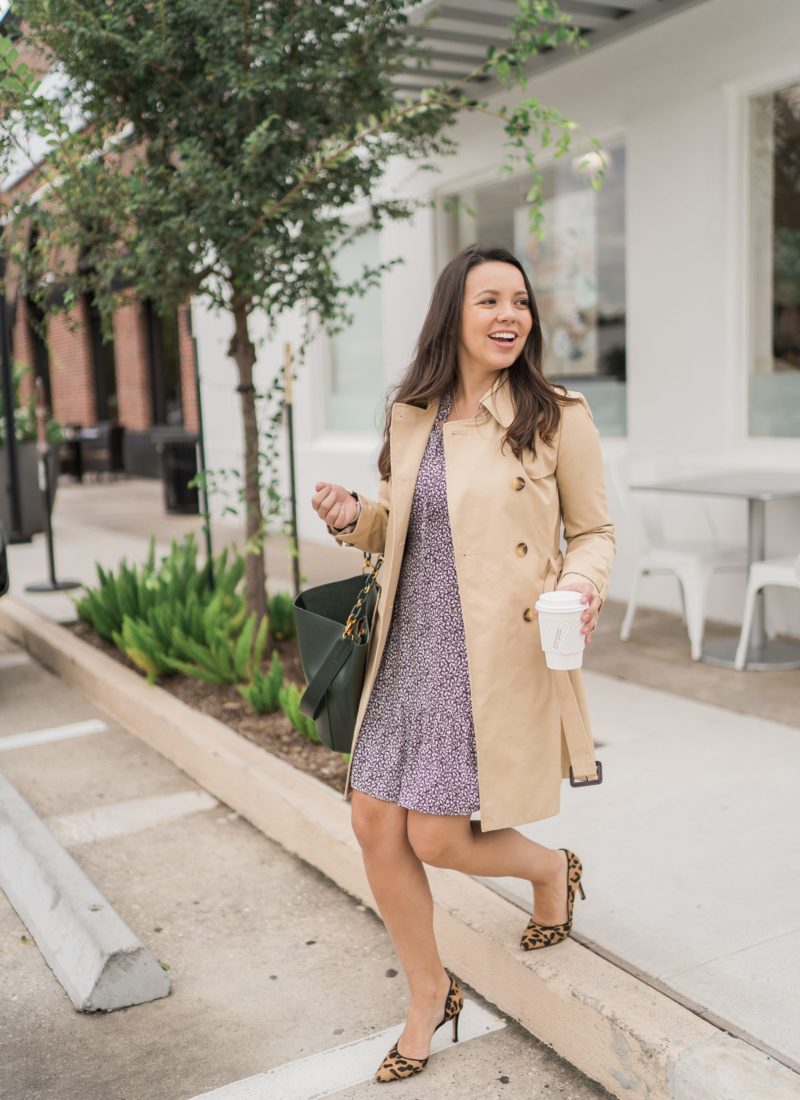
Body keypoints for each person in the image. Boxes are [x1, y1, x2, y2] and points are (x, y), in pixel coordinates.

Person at [311, 244, 615, 1083]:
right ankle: (428, 992)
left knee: (440, 837)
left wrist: (582, 586)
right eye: (489, 301)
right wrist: (353, 518)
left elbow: (593, 532)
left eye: (519, 301)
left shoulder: (556, 414)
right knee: (374, 823)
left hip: (491, 649)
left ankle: (551, 868)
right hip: (407, 644)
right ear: (454, 314)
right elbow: (404, 528)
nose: (509, 315)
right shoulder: (415, 411)